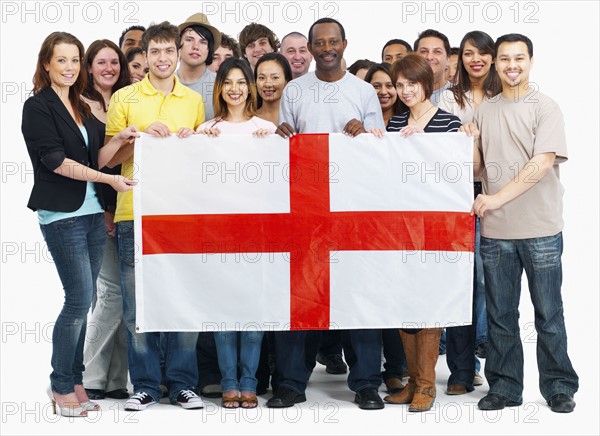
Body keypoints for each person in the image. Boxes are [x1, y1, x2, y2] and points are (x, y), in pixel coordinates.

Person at [22, 31, 138, 417]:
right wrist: (108, 181)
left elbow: (99, 158)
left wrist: (119, 136)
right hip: (62, 215)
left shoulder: (80, 105)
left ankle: (74, 380)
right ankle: (59, 386)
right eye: (62, 61)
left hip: (90, 213)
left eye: (74, 60)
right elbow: (57, 162)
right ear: (46, 64)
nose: (70, 68)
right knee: (76, 301)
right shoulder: (37, 108)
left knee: (84, 303)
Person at [272, 18, 385, 410]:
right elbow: (285, 145)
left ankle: (367, 382)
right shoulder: (295, 89)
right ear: (312, 47)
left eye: (332, 41)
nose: (325, 48)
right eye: (318, 43)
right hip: (306, 209)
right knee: (301, 296)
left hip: (352, 209)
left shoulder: (364, 90)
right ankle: (290, 382)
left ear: (344, 44)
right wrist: (282, 136)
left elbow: (380, 150)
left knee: (358, 296)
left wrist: (363, 133)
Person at [469, 33, 578, 414]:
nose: (511, 65)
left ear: (530, 61)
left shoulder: (545, 107)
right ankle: (505, 386)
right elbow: (478, 169)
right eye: (504, 59)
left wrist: (496, 198)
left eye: (519, 58)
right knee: (500, 316)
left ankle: (559, 386)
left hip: (541, 229)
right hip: (496, 232)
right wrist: (469, 142)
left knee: (548, 314)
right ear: (495, 63)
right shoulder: (484, 109)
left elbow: (542, 162)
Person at [105, 21, 206, 411]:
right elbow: (109, 160)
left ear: (178, 54)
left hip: (181, 214)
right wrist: (140, 138)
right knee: (136, 304)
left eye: (169, 51)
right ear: (144, 56)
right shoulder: (125, 98)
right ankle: (145, 383)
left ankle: (182, 383)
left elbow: (202, 161)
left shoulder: (193, 101)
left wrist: (193, 142)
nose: (162, 58)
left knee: (183, 298)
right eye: (155, 52)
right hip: (135, 211)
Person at [196, 57, 276, 408]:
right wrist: (198, 142)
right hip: (219, 234)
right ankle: (228, 382)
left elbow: (279, 185)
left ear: (251, 87)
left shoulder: (267, 130)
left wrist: (267, 146)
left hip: (256, 234)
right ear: (220, 88)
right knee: (223, 309)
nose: (235, 89)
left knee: (254, 311)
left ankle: (249, 382)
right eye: (228, 82)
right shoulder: (207, 130)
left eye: (241, 82)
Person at [383, 53, 462, 412]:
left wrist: (424, 145)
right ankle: (413, 380)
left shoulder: (448, 123)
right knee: (405, 301)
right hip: (399, 228)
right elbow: (381, 169)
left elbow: (454, 174)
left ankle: (427, 385)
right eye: (399, 85)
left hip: (434, 229)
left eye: (411, 84)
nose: (404, 91)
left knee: (429, 301)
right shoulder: (395, 121)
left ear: (426, 84)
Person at [437, 30, 502, 395]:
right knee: (462, 282)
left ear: (492, 57)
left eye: (482, 53)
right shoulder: (449, 97)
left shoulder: (503, 96)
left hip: (499, 195)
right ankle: (462, 369)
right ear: (459, 59)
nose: (475, 59)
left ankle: (497, 366)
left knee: (490, 283)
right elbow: (443, 149)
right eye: (468, 53)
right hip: (457, 196)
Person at [79, 39, 131, 402]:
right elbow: (86, 164)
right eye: (101, 62)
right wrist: (104, 209)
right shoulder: (80, 105)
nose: (109, 68)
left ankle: (115, 380)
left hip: (128, 207)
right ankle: (91, 373)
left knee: (125, 296)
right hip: (97, 209)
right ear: (89, 66)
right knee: (110, 294)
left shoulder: (127, 100)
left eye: (114, 61)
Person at [176, 13, 221, 121]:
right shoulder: (164, 83)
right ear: (178, 45)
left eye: (203, 42)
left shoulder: (220, 85)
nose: (195, 47)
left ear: (209, 49)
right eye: (189, 39)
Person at [414, 29, 452, 104]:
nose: (429, 57)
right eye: (423, 51)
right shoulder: (404, 93)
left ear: (447, 59)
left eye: (437, 52)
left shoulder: (461, 95)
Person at [255, 52, 292, 125]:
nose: (268, 84)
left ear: (286, 81)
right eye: (262, 78)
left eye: (275, 78)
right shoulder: (247, 119)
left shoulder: (295, 118)